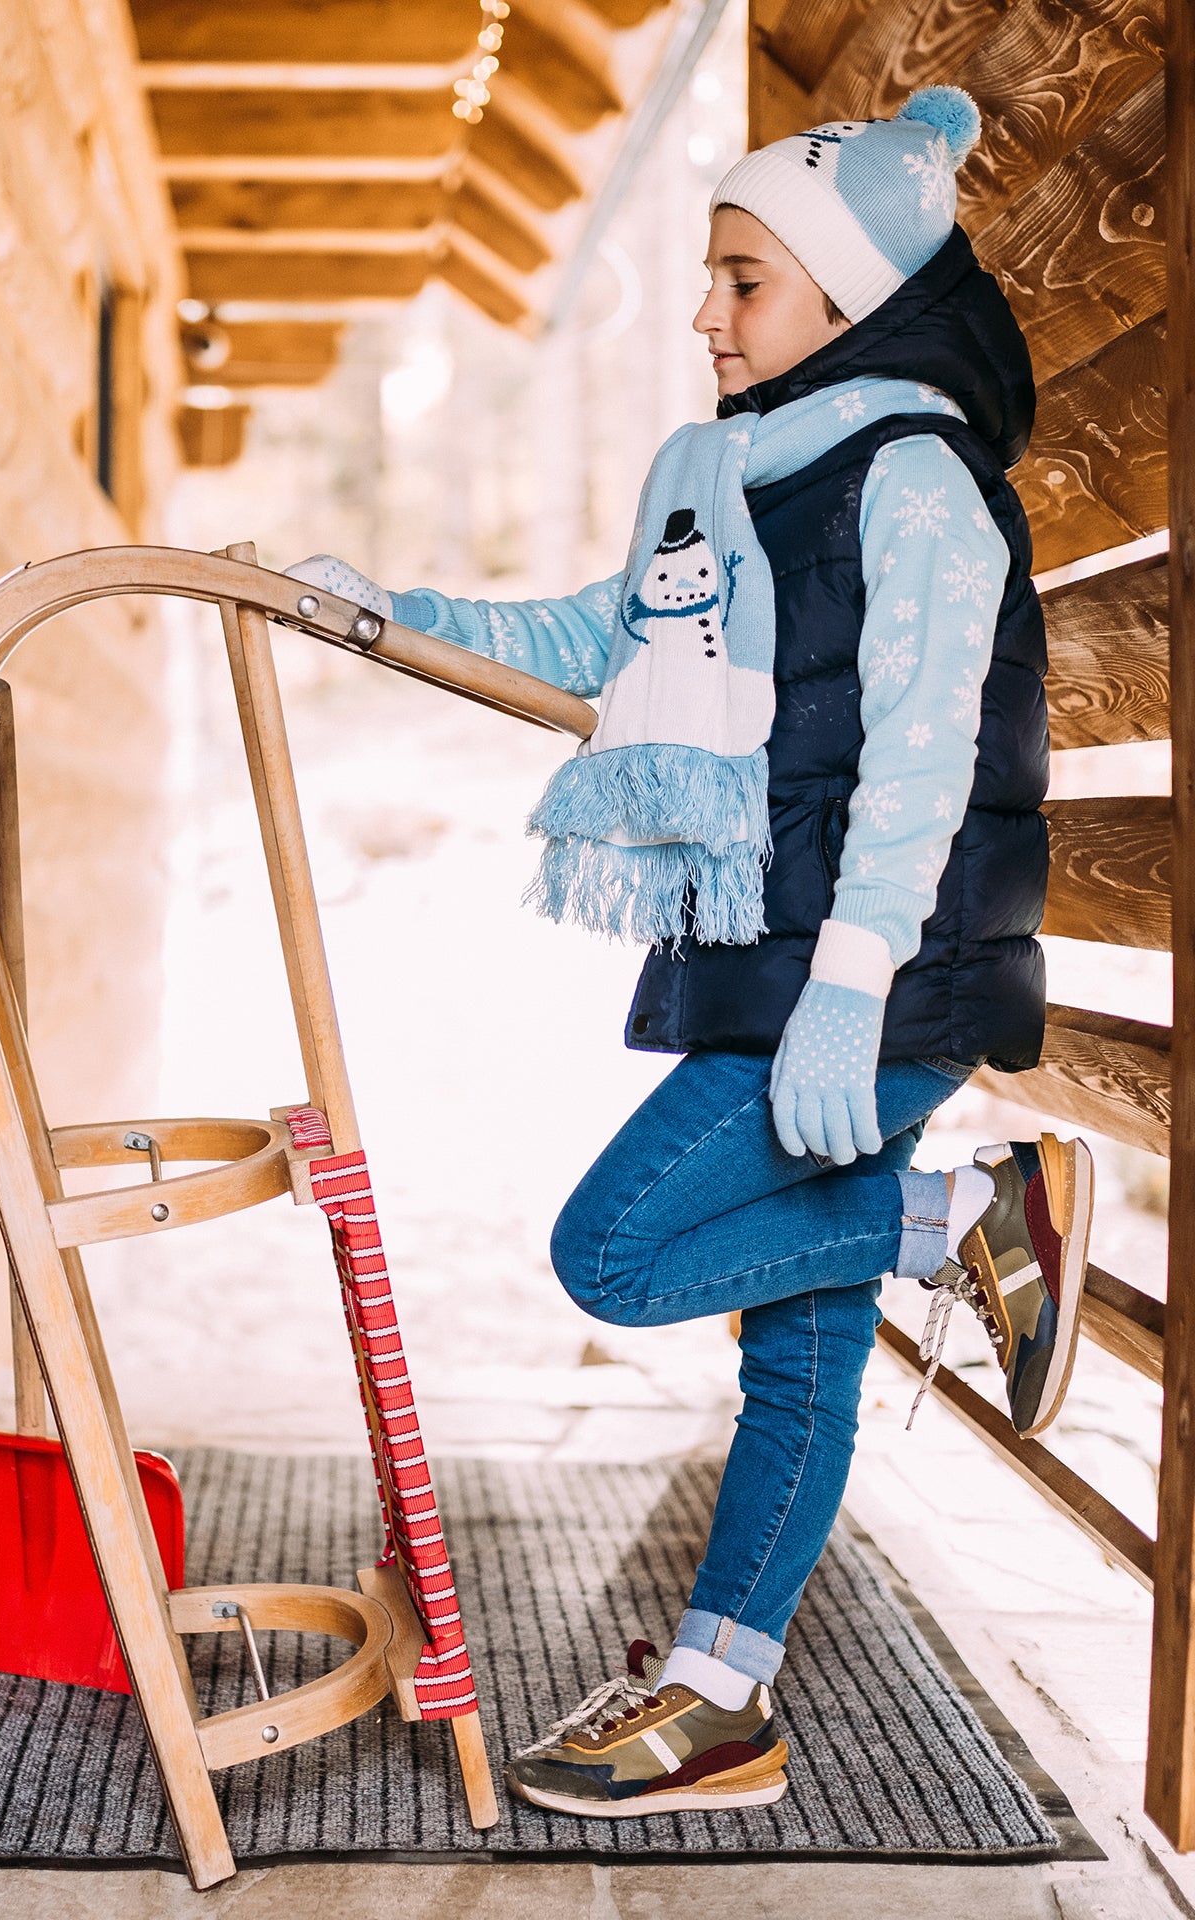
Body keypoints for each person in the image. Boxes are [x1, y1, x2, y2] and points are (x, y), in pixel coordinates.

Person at [287, 87, 1093, 1819]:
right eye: (707, 276)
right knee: (797, 1345)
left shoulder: (917, 476)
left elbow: (928, 747)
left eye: (743, 278)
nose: (707, 313)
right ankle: (721, 1698)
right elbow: (597, 635)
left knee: (617, 1248)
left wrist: (857, 983)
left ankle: (967, 1217)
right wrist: (396, 616)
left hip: (888, 959)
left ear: (850, 295)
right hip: (779, 946)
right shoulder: (728, 479)